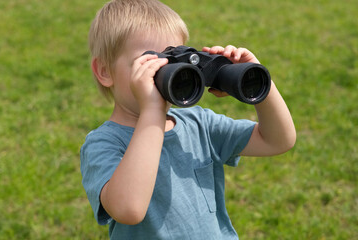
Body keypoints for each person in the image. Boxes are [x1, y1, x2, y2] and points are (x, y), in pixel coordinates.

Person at [80, 0, 296, 239]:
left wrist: (258, 80)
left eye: (173, 62)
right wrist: (153, 110)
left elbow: (278, 140)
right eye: (150, 63)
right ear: (104, 71)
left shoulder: (199, 124)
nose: (163, 74)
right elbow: (129, 209)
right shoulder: (104, 143)